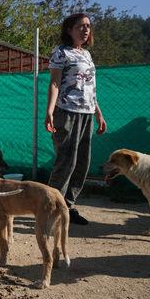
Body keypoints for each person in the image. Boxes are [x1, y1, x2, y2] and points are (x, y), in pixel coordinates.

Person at [44, 13, 107, 225]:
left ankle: (68, 207)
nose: (85, 29)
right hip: (66, 111)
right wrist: (50, 112)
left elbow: (90, 88)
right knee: (66, 162)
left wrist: (98, 112)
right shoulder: (61, 52)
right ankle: (51, 208)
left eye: (88, 26)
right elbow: (54, 83)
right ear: (69, 29)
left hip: (87, 113)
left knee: (82, 163)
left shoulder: (87, 55)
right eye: (81, 26)